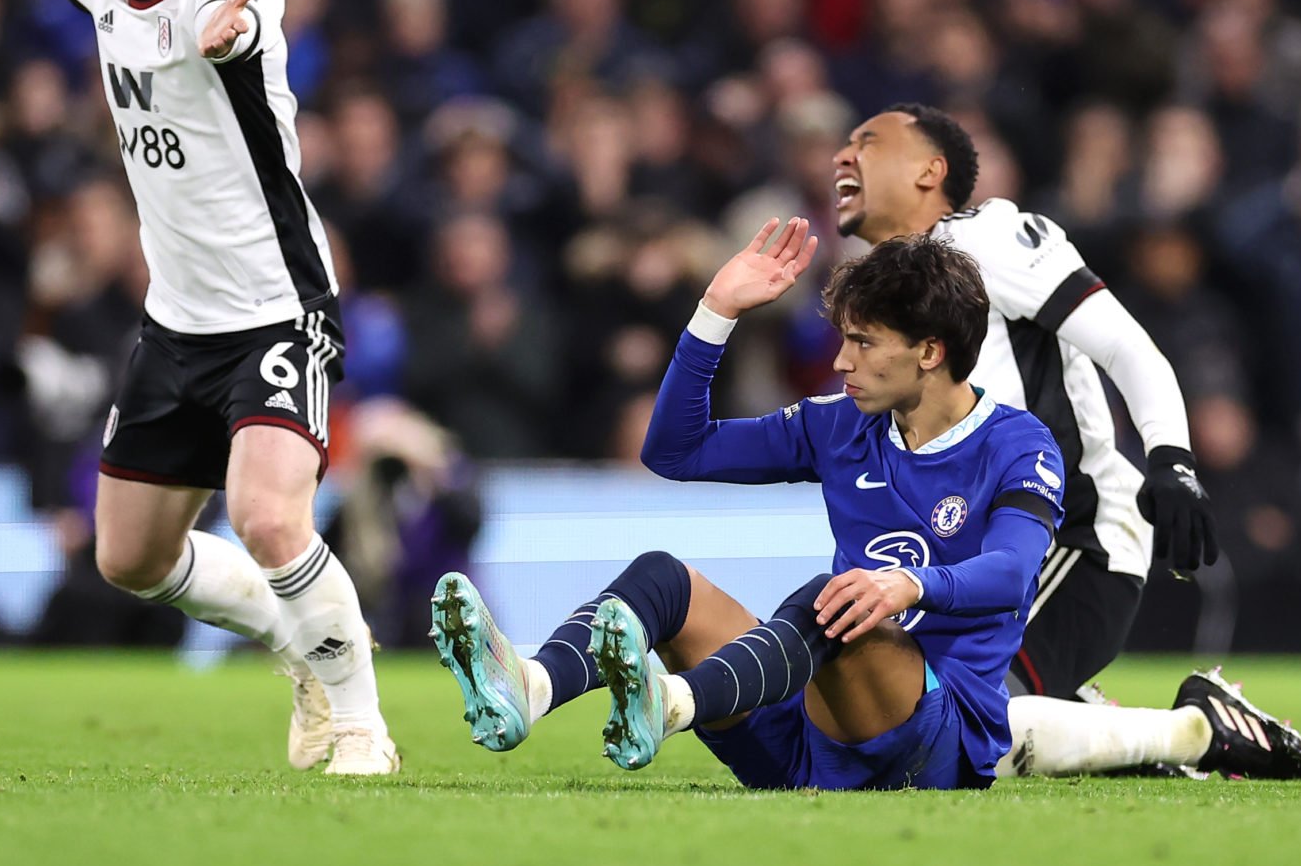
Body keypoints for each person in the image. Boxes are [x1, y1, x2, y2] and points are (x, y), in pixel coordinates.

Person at [0, 0, 398, 773]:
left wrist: (228, 39)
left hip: (274, 311)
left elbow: (249, 21)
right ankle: (296, 640)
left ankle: (360, 725)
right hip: (176, 323)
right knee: (126, 559)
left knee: (267, 517)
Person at [434, 223, 1066, 789]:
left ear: (930, 352)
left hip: (931, 746)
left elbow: (1011, 573)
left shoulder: (1016, 445)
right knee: (663, 580)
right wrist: (715, 312)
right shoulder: (839, 425)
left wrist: (909, 584)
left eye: (865, 343)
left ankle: (675, 703)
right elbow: (676, 452)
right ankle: (532, 687)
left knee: (836, 596)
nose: (842, 360)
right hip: (807, 735)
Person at [832, 105, 1301, 779]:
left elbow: (1126, 344)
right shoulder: (872, 292)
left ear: (930, 170)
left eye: (868, 142)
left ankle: (1200, 728)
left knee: (958, 744)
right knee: (871, 722)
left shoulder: (989, 239)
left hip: (1073, 538)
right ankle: (1084, 721)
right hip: (967, 563)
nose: (842, 156)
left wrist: (1172, 461)